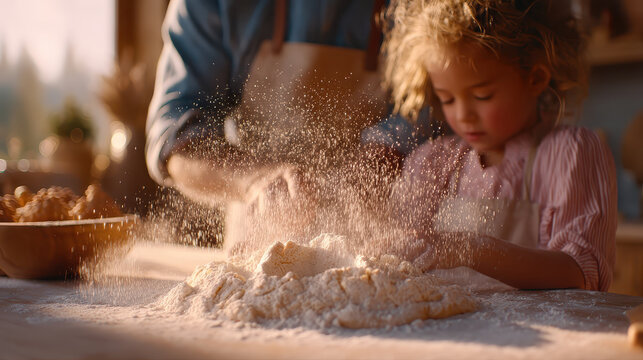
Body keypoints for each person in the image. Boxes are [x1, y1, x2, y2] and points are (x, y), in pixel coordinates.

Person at [382, 0, 616, 291]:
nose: (463, 115)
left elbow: (582, 274)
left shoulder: (570, 154)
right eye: (448, 99)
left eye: (482, 96)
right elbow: (399, 259)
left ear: (535, 78)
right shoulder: (432, 162)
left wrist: (471, 249)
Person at [145, 0, 434, 210]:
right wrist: (255, 179)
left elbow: (434, 103)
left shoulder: (417, 6)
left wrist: (382, 154)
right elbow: (177, 137)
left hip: (382, 243)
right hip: (258, 243)